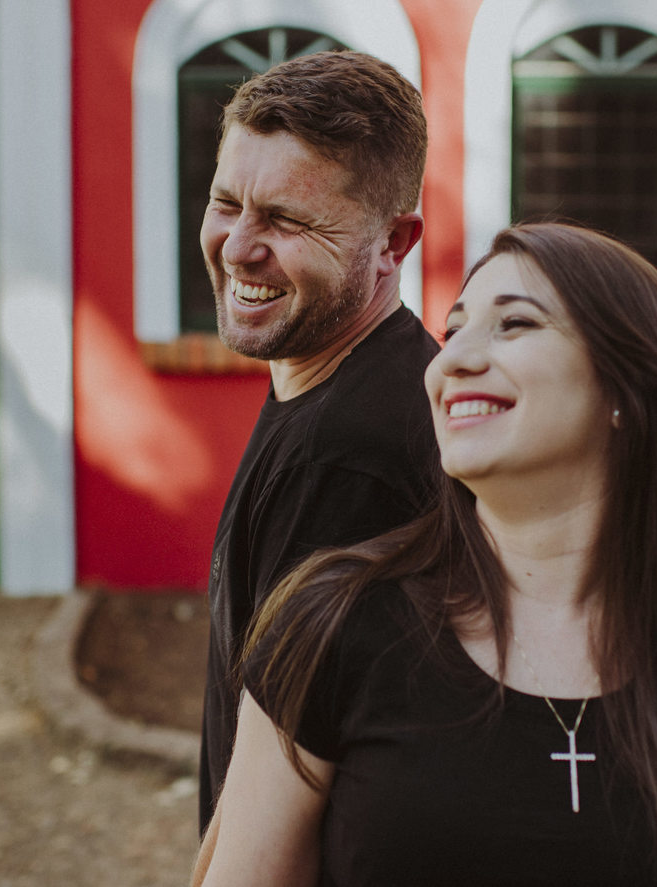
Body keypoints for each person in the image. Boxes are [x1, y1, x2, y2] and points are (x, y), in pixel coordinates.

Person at [195, 222, 657, 886]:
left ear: (625, 390)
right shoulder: (333, 627)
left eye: (514, 325)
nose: (450, 362)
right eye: (453, 333)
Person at [195, 50, 440, 837]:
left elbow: (289, 797)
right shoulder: (333, 384)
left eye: (287, 220)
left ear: (394, 244)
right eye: (227, 202)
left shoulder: (350, 456)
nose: (237, 247)